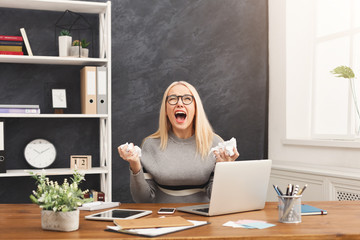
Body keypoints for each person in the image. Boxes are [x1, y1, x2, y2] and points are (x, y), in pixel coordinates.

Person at [118, 81, 239, 203]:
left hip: (204, 218)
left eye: (187, 99)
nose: (179, 103)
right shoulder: (150, 145)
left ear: (196, 108)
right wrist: (135, 165)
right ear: (166, 109)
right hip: (163, 218)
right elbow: (142, 200)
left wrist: (225, 168)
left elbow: (219, 198)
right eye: (173, 99)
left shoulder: (215, 144)